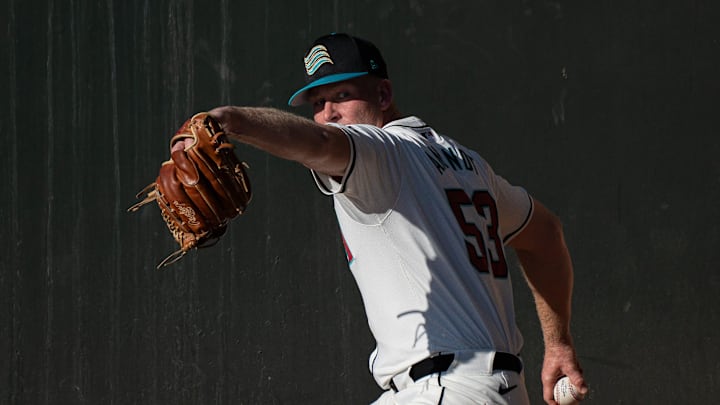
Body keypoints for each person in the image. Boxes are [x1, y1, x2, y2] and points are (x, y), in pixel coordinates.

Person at [203, 33, 588, 404]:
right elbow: (546, 234)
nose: (328, 114)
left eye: (342, 95)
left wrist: (227, 120)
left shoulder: (380, 151)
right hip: (491, 389)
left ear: (383, 95)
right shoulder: (467, 164)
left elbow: (318, 142)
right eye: (318, 103)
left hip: (445, 388)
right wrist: (559, 344)